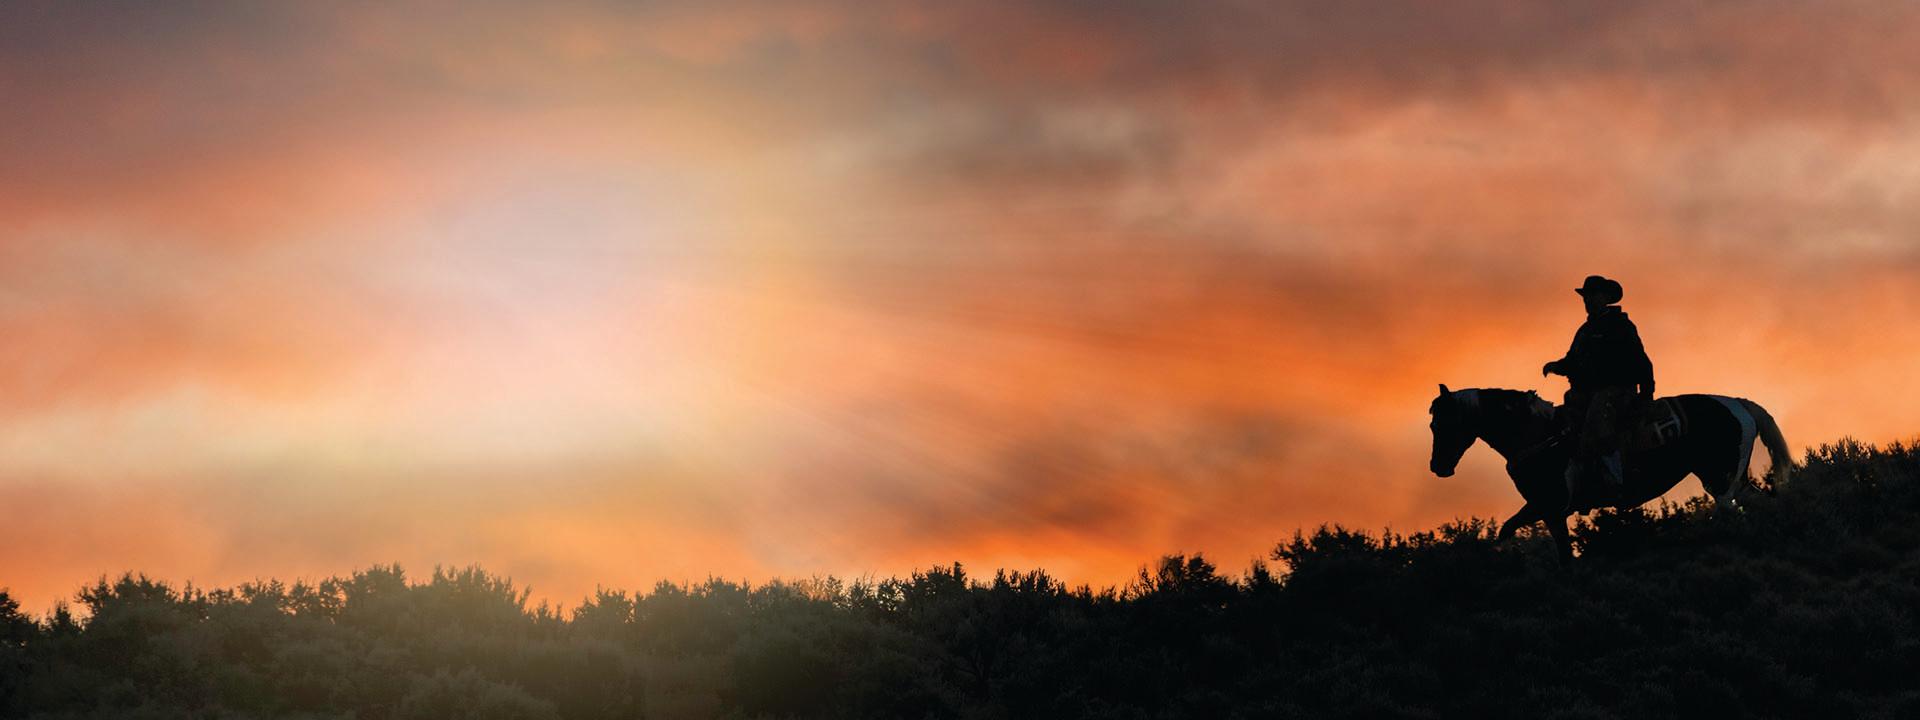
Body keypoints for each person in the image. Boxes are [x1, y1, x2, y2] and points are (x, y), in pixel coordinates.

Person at [1542, 275, 1655, 506]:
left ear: (1606, 298)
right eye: (1587, 296)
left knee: (1598, 428)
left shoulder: (1621, 326)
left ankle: (1617, 484)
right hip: (1587, 393)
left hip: (1615, 391)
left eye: (1594, 295)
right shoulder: (1585, 330)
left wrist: (1646, 392)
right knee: (1564, 426)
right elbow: (1573, 360)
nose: (1589, 300)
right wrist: (1557, 366)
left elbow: (1640, 360)